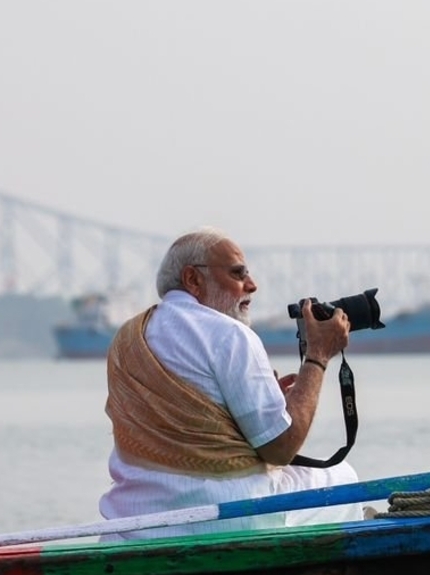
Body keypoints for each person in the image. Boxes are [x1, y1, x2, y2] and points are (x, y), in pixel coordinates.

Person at [98, 227, 362, 539]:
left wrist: (251, 407)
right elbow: (280, 449)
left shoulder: (128, 336)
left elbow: (183, 421)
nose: (252, 285)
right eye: (238, 273)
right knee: (342, 478)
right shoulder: (231, 335)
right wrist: (318, 355)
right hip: (226, 517)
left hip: (133, 521)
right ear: (193, 279)